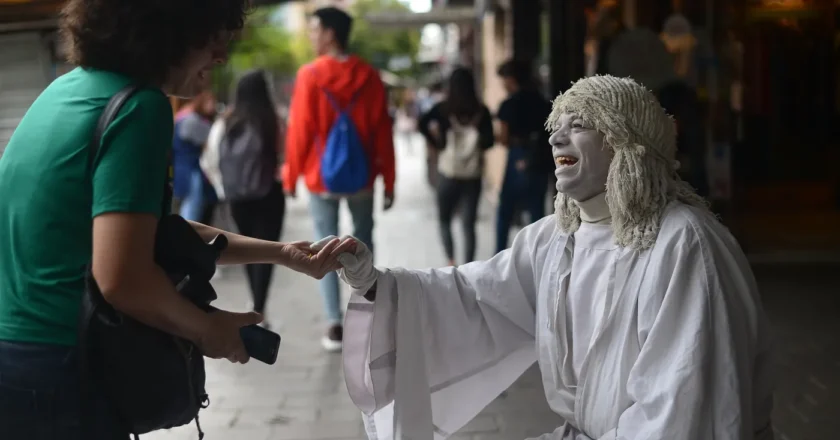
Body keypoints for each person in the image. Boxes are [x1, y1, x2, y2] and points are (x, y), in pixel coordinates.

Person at [329, 76, 775, 439]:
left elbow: (680, 407)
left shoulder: (682, 243)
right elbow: (477, 297)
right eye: (557, 125)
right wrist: (377, 283)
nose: (557, 135)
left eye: (579, 123)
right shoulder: (557, 238)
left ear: (627, 142)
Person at [0, 1, 353, 438]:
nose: (222, 56)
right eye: (214, 38)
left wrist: (283, 254)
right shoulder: (139, 107)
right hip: (63, 370)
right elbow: (123, 278)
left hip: (18, 361)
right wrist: (209, 330)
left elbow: (150, 232)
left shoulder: (69, 90)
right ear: (172, 31)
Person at [283, 6, 396, 352]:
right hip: (362, 175)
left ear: (331, 33)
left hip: (321, 177)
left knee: (323, 246)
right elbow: (382, 132)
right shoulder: (369, 76)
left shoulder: (310, 76)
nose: (311, 35)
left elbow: (300, 130)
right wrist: (389, 180)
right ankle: (368, 311)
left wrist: (291, 174)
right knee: (363, 241)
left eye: (315, 29)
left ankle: (335, 323)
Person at [204, 70, 286, 325]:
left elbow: (209, 160)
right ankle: (260, 307)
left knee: (248, 250)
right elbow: (284, 158)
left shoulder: (225, 121)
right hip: (269, 194)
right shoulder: (273, 120)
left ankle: (256, 304)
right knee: (268, 251)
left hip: (237, 198)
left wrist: (223, 189)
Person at [418, 68, 494, 266]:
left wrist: (438, 143)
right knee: (468, 225)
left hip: (448, 173)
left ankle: (451, 262)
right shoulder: (481, 110)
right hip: (472, 176)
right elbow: (489, 142)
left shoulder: (443, 109)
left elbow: (422, 123)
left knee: (444, 220)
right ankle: (468, 266)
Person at [495, 59, 554, 252]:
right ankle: (539, 256)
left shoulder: (509, 104)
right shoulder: (543, 102)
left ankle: (500, 255)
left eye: (503, 79)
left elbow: (503, 139)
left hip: (517, 156)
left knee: (505, 212)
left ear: (511, 79)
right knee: (537, 211)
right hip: (540, 157)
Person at [173, 90, 217, 222]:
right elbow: (211, 141)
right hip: (192, 171)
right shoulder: (192, 121)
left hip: (181, 169)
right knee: (191, 213)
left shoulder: (181, 116)